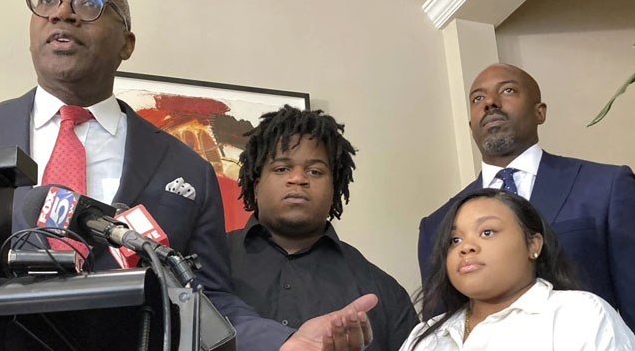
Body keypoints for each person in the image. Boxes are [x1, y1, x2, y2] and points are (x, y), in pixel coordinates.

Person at [0, 0, 376, 350]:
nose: (62, 11)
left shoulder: (187, 170)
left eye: (89, 3)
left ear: (126, 43)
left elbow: (205, 296)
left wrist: (281, 342)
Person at [417, 63, 635, 330]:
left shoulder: (607, 186)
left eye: (507, 90)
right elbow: (445, 329)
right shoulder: (437, 225)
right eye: (478, 98)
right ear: (471, 123)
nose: (490, 103)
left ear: (539, 112)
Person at [227, 106, 418, 351]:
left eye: (314, 171)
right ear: (256, 186)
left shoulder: (382, 291)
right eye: (282, 168)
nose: (298, 178)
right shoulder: (209, 265)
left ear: (334, 190)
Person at [403, 188, 635, 350]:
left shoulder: (579, 314)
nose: (466, 247)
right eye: (454, 240)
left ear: (533, 244)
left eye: (487, 232)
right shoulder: (425, 335)